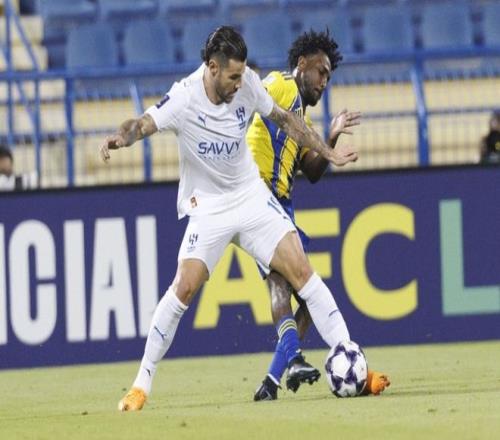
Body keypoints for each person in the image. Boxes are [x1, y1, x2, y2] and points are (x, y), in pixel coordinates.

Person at [100, 26, 358, 412]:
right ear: (212, 67)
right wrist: (121, 139)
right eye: (233, 76)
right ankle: (141, 384)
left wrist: (328, 150)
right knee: (184, 287)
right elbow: (141, 124)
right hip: (209, 207)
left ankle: (349, 354)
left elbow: (288, 121)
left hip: (250, 196)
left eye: (242, 75)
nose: (240, 83)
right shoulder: (184, 97)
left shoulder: (248, 84)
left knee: (302, 272)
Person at [247, 29, 390, 401]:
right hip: (258, 198)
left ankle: (272, 381)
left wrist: (332, 136)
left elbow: (311, 171)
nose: (324, 81)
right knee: (286, 285)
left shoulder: (304, 124)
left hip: (281, 206)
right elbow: (253, 99)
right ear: (302, 64)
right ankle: (295, 362)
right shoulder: (280, 85)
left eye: (328, 76)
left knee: (308, 296)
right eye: (321, 71)